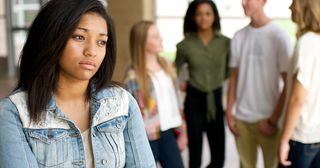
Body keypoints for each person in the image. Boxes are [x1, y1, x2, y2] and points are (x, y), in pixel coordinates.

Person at [0, 0, 155, 167]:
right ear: (52, 38)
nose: (92, 51)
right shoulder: (14, 113)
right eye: (79, 37)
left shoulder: (122, 103)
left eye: (101, 42)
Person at [226, 0, 292, 167]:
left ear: (263, 1)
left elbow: (288, 84)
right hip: (242, 118)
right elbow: (233, 77)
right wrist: (229, 112)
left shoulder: (279, 35)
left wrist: (273, 119)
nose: (243, 3)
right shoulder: (239, 36)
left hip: (269, 118)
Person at [123, 20, 186, 168]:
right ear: (143, 42)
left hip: (169, 132)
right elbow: (130, 114)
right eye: (155, 36)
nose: (161, 39)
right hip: (146, 137)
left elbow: (177, 102)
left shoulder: (168, 65)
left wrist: (183, 132)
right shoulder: (133, 76)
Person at [175, 0, 230, 167]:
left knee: (219, 157)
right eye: (199, 14)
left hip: (216, 99)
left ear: (214, 16)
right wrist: (182, 83)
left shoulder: (226, 43)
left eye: (208, 13)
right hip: (194, 101)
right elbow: (174, 73)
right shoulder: (184, 45)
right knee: (195, 157)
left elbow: (229, 70)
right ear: (193, 17)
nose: (203, 18)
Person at [279, 0, 320, 167]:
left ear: (304, 7)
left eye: (294, 3)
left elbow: (298, 99)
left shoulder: (307, 43)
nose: (290, 7)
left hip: (301, 138)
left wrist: (284, 140)